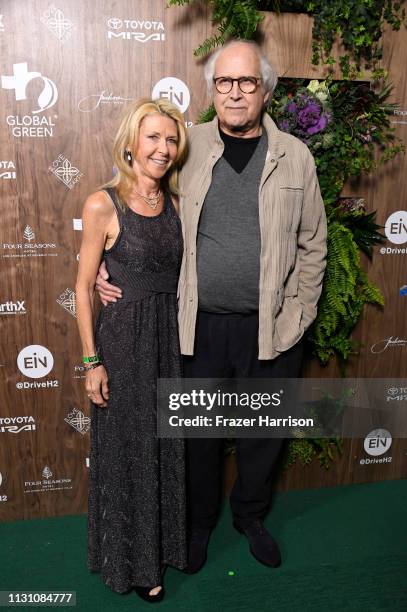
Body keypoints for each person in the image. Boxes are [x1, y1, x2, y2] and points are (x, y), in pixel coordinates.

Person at [96, 40, 327, 574]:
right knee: (197, 438)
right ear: (212, 89)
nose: (235, 92)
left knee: (262, 436)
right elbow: (136, 189)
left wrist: (300, 312)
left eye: (247, 82)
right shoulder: (189, 144)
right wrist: (110, 255)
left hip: (272, 329)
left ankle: (250, 516)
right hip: (196, 328)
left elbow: (315, 241)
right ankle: (198, 526)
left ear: (265, 89)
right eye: (224, 82)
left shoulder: (296, 155)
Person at [75, 98, 188, 602]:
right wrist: (91, 361)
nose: (162, 149)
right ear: (131, 143)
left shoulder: (179, 203)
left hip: (169, 340)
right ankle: (130, 561)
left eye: (170, 139)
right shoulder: (103, 203)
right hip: (122, 342)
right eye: (153, 138)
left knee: (163, 447)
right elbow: (82, 288)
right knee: (128, 450)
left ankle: (158, 549)